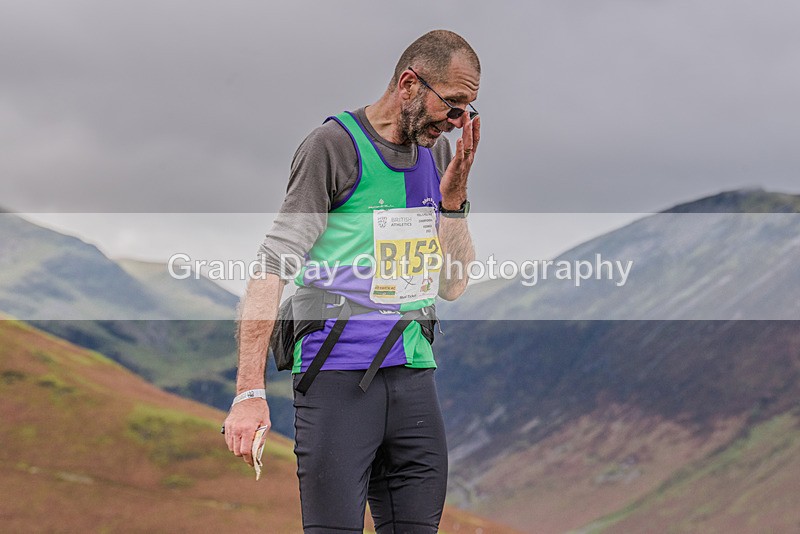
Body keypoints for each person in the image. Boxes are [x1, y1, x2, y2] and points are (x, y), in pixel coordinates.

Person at [224, 29, 481, 533]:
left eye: (468, 111)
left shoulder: (438, 151)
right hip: (336, 378)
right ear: (409, 84)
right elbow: (272, 265)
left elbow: (451, 285)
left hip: (413, 378)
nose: (457, 122)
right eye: (452, 105)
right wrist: (248, 393)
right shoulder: (333, 147)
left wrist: (454, 201)